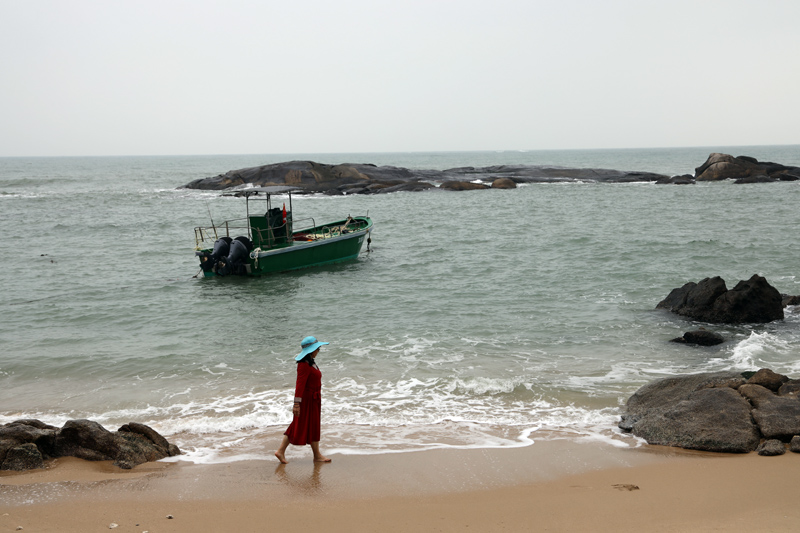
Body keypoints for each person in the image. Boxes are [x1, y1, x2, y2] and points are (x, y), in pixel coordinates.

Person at [274, 336, 332, 464]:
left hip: (314, 400)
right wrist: (296, 404)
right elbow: (299, 386)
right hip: (306, 401)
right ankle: (281, 451)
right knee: (298, 424)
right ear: (311, 350)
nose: (319, 350)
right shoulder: (303, 365)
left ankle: (317, 455)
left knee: (313, 426)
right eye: (318, 348)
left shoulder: (311, 362)